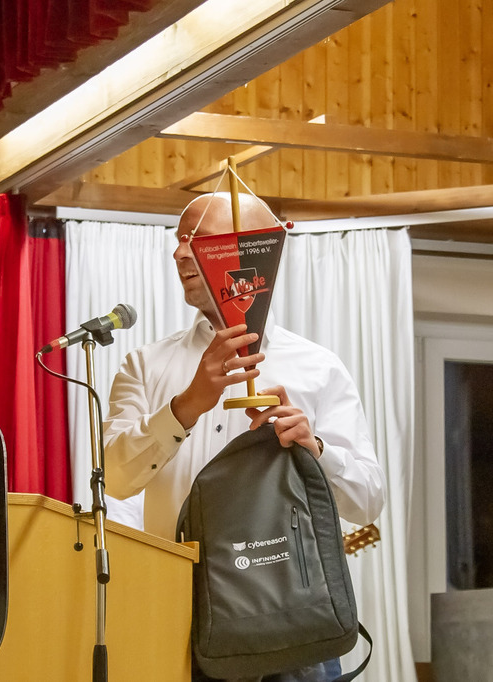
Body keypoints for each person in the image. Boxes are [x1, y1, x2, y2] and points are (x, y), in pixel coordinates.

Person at [102, 192, 385, 682]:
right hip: (180, 622)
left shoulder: (319, 368)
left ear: (253, 250)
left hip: (295, 622)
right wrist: (187, 405)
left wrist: (315, 450)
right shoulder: (144, 366)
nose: (180, 253)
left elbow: (367, 502)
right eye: (179, 240)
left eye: (197, 239)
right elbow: (115, 479)